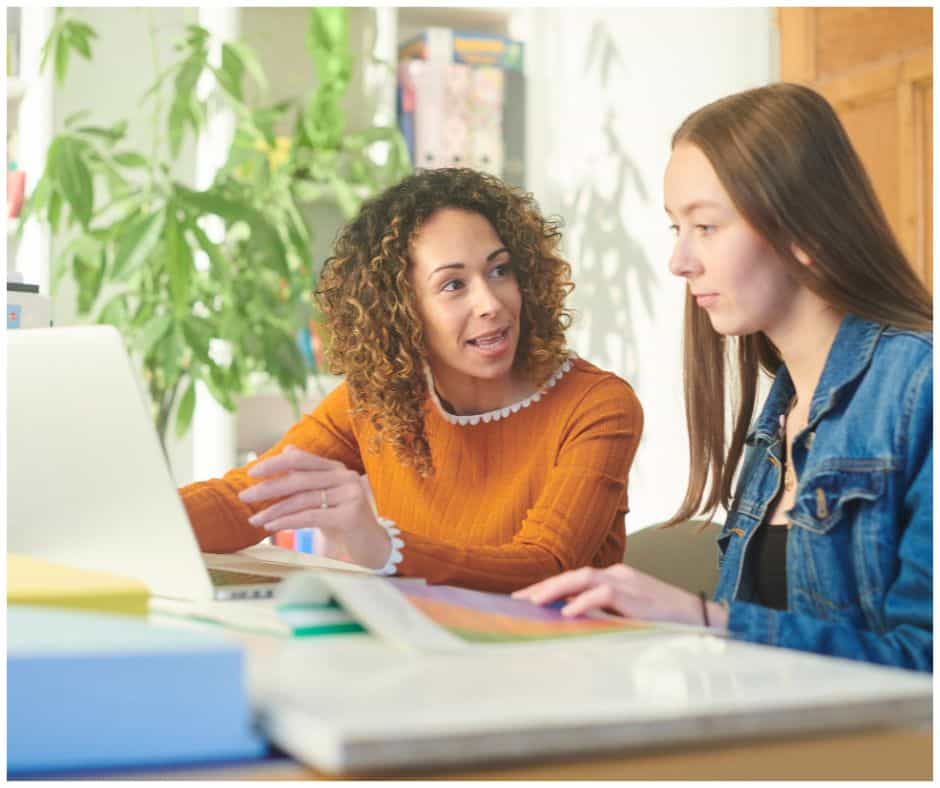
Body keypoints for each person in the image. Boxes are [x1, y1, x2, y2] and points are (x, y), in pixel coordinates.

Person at [515, 83, 932, 671]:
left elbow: (925, 661)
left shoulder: (922, 387)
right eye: (675, 229)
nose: (679, 261)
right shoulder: (780, 413)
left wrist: (702, 617)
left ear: (804, 233)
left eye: (706, 227)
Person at [180, 167, 643, 592]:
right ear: (401, 311)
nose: (491, 303)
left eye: (500, 271)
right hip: (426, 663)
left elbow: (546, 567)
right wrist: (130, 516)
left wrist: (381, 547)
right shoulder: (378, 402)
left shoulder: (596, 405)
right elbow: (247, 502)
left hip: (563, 669)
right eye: (453, 285)